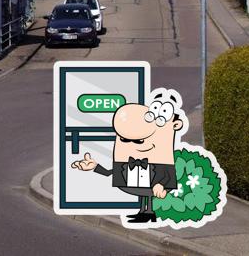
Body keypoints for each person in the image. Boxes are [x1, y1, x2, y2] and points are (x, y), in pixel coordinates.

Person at [71, 89, 182, 223]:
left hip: (154, 184)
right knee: (143, 193)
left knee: (146, 192)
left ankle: (149, 212)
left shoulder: (161, 162)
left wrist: (162, 185)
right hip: (139, 183)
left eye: (139, 141)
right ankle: (144, 212)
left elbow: (167, 176)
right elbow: (109, 173)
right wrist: (95, 167)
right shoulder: (126, 163)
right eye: (124, 140)